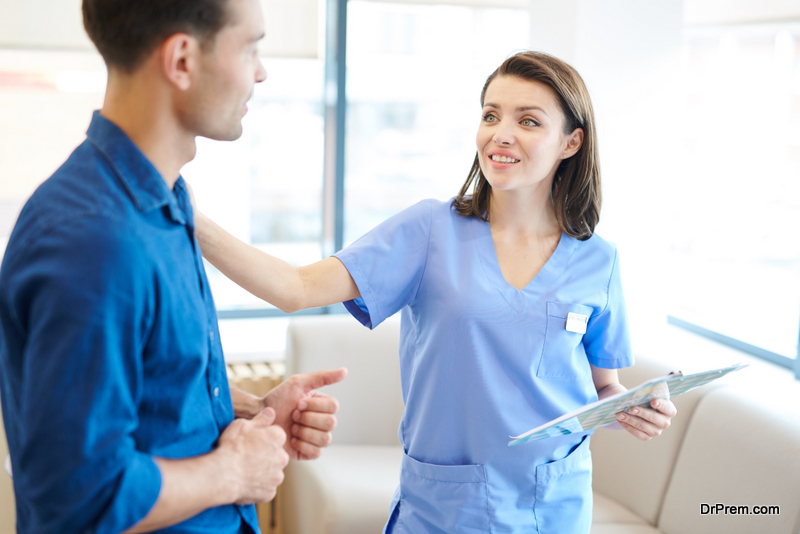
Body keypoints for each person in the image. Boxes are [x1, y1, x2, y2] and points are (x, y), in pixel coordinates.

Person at [193, 51, 678, 532]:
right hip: (446, 510)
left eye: (528, 121)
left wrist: (629, 409)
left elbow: (602, 388)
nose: (500, 133)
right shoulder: (430, 230)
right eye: (491, 115)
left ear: (571, 143)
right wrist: (188, 215)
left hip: (554, 508)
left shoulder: (599, 259)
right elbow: (294, 288)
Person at [0, 0, 347, 533]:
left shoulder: (167, 201)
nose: (261, 71)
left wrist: (253, 411)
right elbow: (77, 499)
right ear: (182, 60)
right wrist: (233, 472)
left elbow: (149, 382)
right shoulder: (93, 240)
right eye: (250, 46)